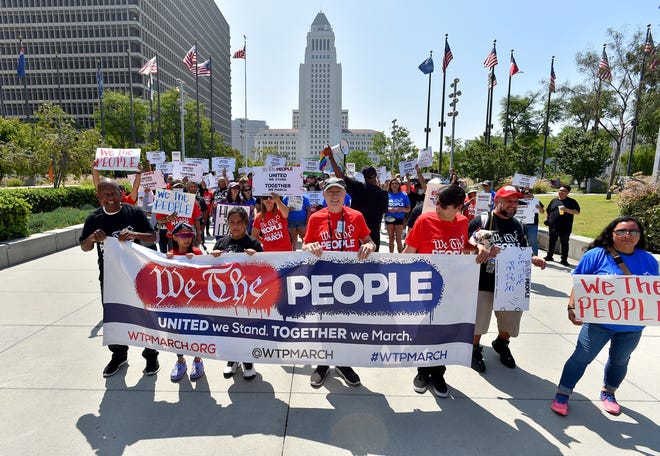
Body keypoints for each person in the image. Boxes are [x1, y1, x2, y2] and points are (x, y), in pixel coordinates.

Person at [550, 216, 659, 416]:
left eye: (634, 232)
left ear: (640, 236)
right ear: (611, 233)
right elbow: (579, 282)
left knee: (620, 360)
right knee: (581, 357)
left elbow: (653, 291)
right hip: (598, 323)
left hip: (632, 327)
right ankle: (563, 392)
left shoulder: (649, 260)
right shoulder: (596, 255)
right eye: (622, 231)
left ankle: (609, 392)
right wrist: (572, 306)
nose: (628, 235)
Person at [404, 185, 486, 397]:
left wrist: (478, 248)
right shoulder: (424, 221)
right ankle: (423, 371)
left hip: (452, 288)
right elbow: (408, 253)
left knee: (444, 332)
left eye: (443, 205)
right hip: (425, 289)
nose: (437, 207)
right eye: (437, 202)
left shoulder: (462, 222)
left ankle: (439, 372)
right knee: (427, 331)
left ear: (459, 207)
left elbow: (461, 245)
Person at [80, 179, 159, 378]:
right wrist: (91, 239)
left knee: (145, 315)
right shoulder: (94, 219)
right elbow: (84, 246)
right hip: (110, 278)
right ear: (98, 197)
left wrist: (135, 234)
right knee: (114, 316)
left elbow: (153, 237)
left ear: (120, 193)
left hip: (138, 275)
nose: (110, 199)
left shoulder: (134, 213)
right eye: (105, 195)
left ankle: (150, 355)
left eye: (113, 194)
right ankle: (119, 355)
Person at [302, 177, 376, 387]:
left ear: (345, 195)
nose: (334, 196)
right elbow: (305, 245)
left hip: (349, 280)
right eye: (330, 192)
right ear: (324, 195)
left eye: (338, 192)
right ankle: (324, 363)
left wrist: (369, 247)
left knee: (345, 323)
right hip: (323, 279)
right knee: (324, 323)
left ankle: (343, 363)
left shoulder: (357, 216)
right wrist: (311, 247)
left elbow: (369, 242)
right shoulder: (316, 218)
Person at [468, 185, 546, 373]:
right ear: (497, 201)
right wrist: (480, 249)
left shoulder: (518, 225)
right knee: (478, 321)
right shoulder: (482, 221)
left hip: (511, 282)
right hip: (483, 280)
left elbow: (522, 249)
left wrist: (532, 258)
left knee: (510, 322)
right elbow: (466, 246)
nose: (513, 204)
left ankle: (502, 343)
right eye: (509, 200)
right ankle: (474, 349)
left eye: (516, 201)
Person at [210, 207, 263, 380]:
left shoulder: (254, 243)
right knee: (229, 330)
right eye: (232, 222)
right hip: (226, 297)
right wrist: (213, 257)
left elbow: (264, 270)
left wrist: (256, 258)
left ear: (246, 224)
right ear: (227, 224)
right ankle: (232, 359)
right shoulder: (221, 244)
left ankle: (248, 360)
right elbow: (212, 269)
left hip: (247, 297)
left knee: (246, 329)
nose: (235, 226)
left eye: (239, 222)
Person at [325, 148, 388, 251]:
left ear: (364, 177)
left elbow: (340, 176)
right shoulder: (383, 193)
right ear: (376, 176)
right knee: (371, 263)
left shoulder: (358, 188)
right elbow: (384, 212)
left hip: (355, 232)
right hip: (374, 233)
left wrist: (331, 157)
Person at [167, 222, 206, 382]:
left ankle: (198, 360)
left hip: (195, 302)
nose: (187, 239)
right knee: (177, 332)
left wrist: (196, 261)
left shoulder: (197, 252)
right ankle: (180, 361)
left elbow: (207, 274)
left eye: (190, 235)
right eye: (183, 235)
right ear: (175, 237)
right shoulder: (169, 254)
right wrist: (167, 261)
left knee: (196, 331)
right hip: (177, 303)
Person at [544, 185, 580, 267]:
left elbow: (577, 212)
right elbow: (548, 211)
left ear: (567, 192)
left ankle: (564, 259)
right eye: (559, 190)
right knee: (552, 242)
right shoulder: (554, 200)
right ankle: (549, 256)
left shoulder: (571, 202)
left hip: (565, 227)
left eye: (563, 191)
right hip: (553, 226)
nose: (561, 192)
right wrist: (547, 218)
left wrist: (566, 210)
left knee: (564, 243)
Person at [385, 178, 410, 253]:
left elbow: (409, 209)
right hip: (389, 217)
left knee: (398, 239)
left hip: (400, 218)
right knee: (391, 238)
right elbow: (382, 207)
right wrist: (389, 209)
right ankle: (391, 256)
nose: (394, 185)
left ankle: (400, 257)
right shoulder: (387, 195)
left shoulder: (404, 195)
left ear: (399, 185)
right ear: (390, 185)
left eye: (396, 183)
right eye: (392, 184)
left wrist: (402, 209)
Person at [521, 188, 545, 256]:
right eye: (526, 193)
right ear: (523, 195)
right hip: (522, 224)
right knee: (521, 240)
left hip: (533, 224)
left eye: (530, 192)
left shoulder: (536, 201)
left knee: (533, 241)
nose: (529, 194)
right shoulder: (519, 201)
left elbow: (542, 211)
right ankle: (523, 256)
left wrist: (540, 208)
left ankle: (535, 256)